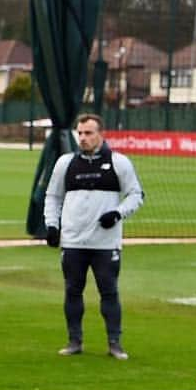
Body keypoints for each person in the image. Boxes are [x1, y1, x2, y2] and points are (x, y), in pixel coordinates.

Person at [44, 113, 144, 360]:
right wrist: (51, 226)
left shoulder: (118, 162)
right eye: (80, 133)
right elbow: (52, 196)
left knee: (109, 292)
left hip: (105, 242)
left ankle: (114, 343)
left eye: (88, 133)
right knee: (72, 291)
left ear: (101, 134)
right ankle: (74, 340)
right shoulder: (65, 163)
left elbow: (136, 195)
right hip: (73, 241)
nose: (83, 138)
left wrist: (117, 213)